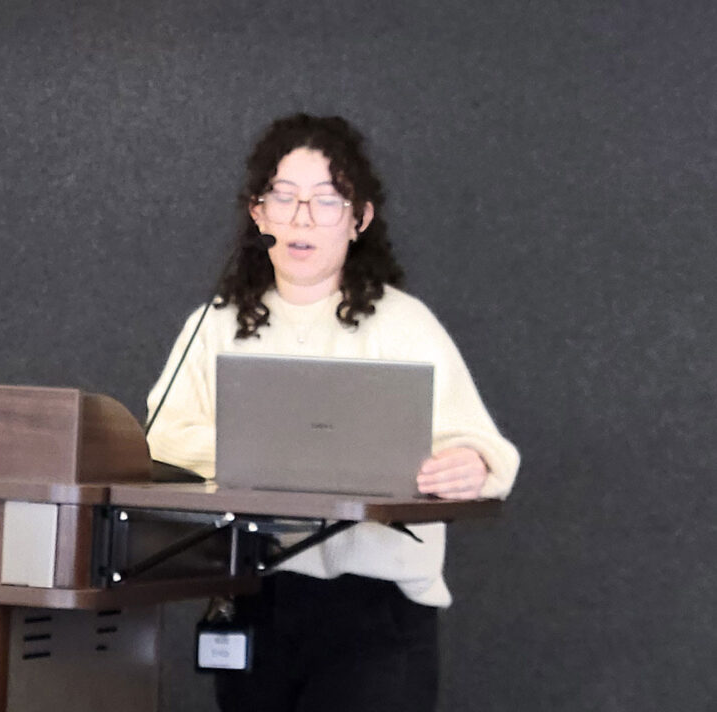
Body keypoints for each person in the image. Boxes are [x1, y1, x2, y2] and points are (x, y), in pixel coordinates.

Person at [145, 114, 520, 712]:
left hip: (376, 612)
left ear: (359, 220)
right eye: (283, 198)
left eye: (325, 201)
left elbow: (478, 444)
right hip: (252, 594)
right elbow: (162, 441)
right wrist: (287, 453)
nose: (301, 218)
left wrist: (470, 464)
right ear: (257, 212)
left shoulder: (404, 324)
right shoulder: (212, 325)